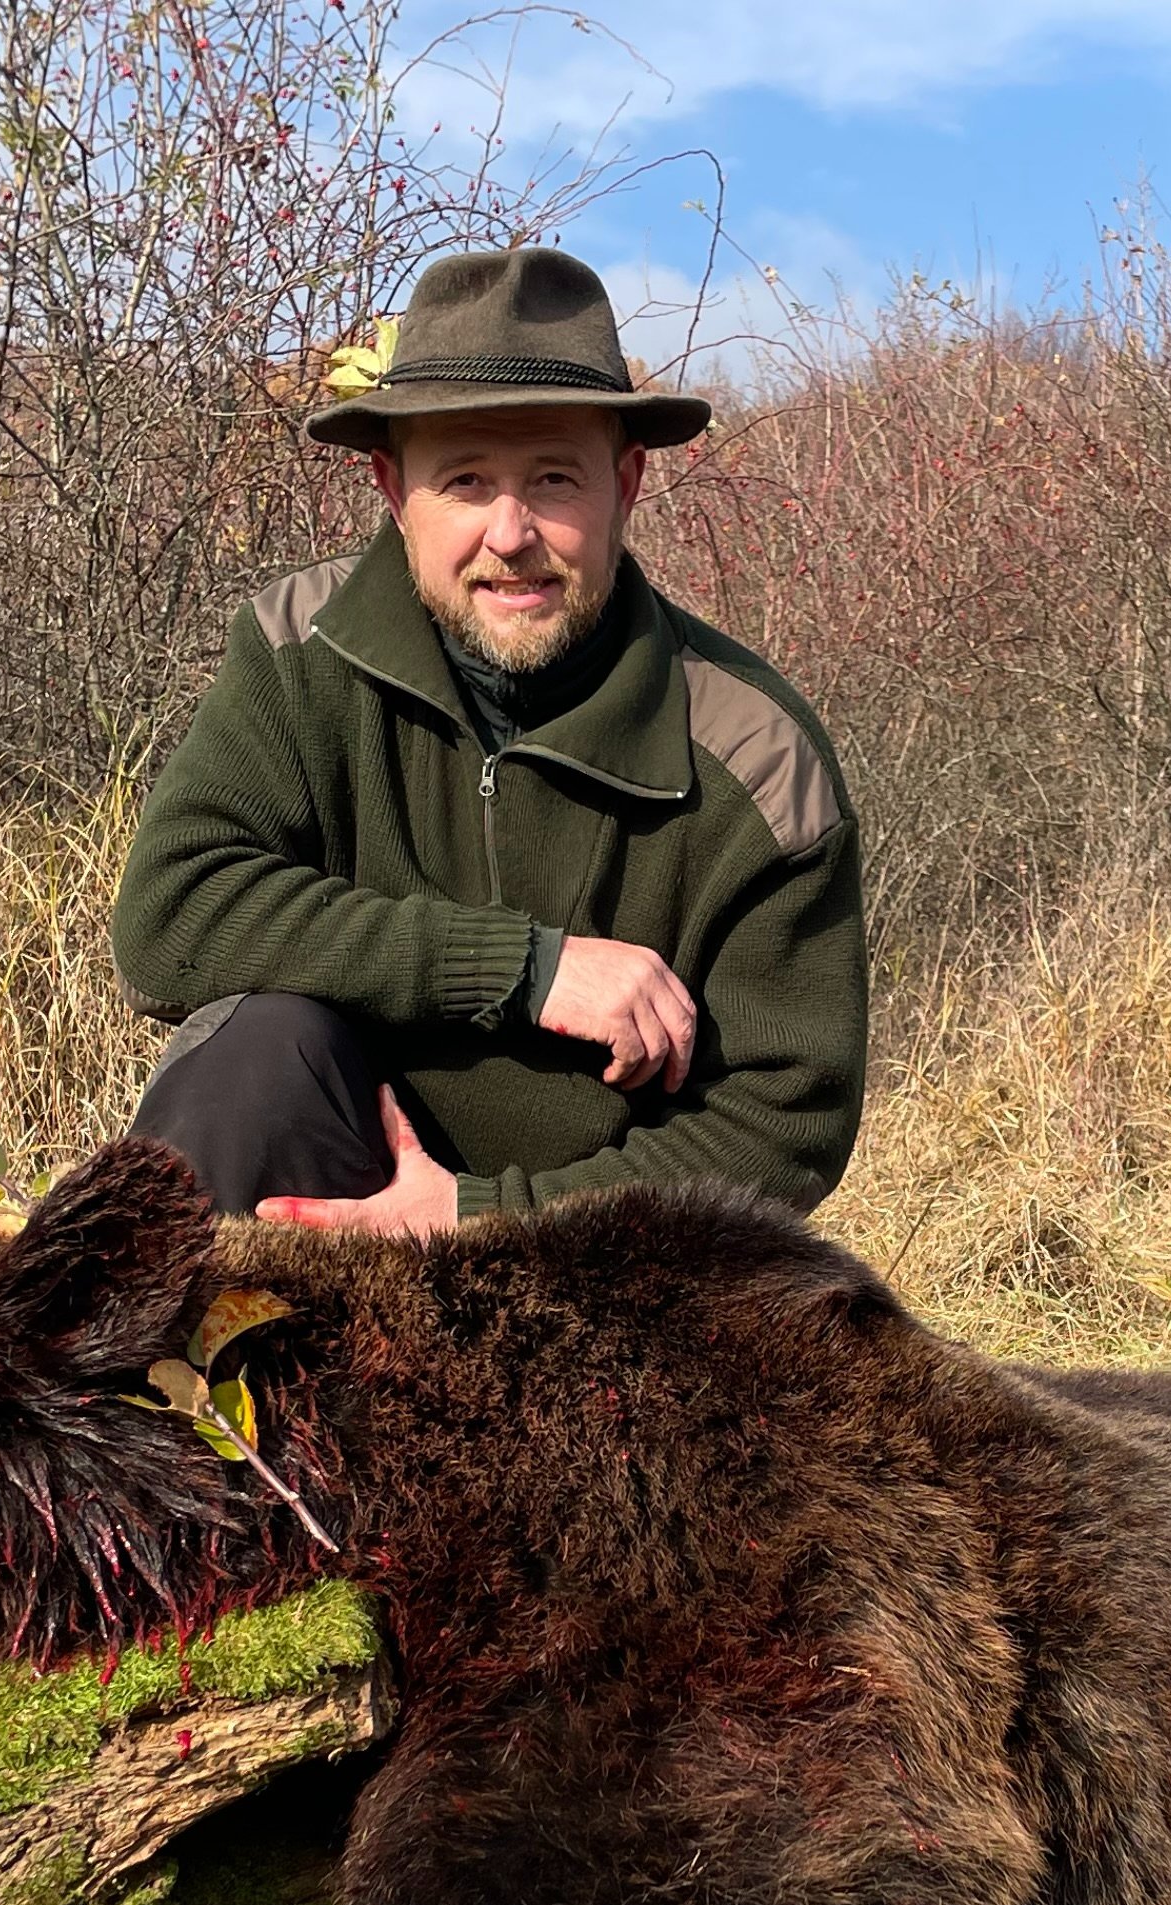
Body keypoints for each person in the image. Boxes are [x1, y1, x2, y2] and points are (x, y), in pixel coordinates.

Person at [110, 246, 866, 1237]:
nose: (511, 533)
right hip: (322, 1223)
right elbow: (170, 921)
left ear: (625, 485)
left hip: (583, 1277)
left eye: (555, 478)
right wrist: (526, 970)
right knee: (258, 1050)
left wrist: (487, 1221)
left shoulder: (758, 759)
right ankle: (152, 1386)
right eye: (465, 480)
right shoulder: (298, 652)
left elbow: (783, 1122)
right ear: (393, 490)